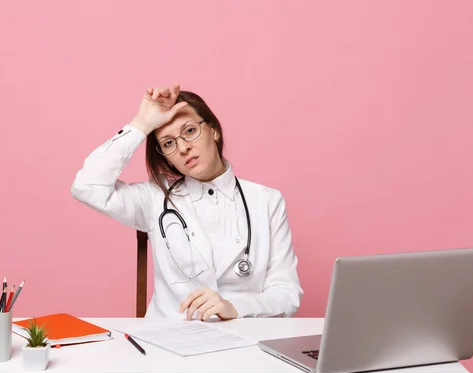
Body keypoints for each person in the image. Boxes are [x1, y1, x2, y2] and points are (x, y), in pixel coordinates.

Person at [71, 84, 303, 321]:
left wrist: (235, 307)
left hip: (242, 339)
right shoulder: (154, 199)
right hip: (169, 341)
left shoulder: (267, 201)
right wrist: (141, 124)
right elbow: (87, 186)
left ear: (214, 130)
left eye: (190, 131)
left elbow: (287, 293)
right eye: (169, 143)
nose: (183, 148)